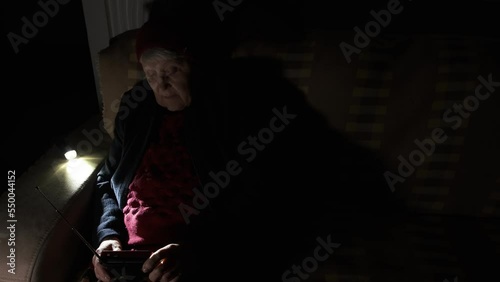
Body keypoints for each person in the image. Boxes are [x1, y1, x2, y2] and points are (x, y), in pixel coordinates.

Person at [87, 11, 399, 281]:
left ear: (197, 65)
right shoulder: (137, 109)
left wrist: (197, 253)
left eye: (172, 71)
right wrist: (108, 237)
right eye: (151, 75)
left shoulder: (235, 110)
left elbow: (268, 199)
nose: (161, 85)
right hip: (131, 257)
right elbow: (108, 179)